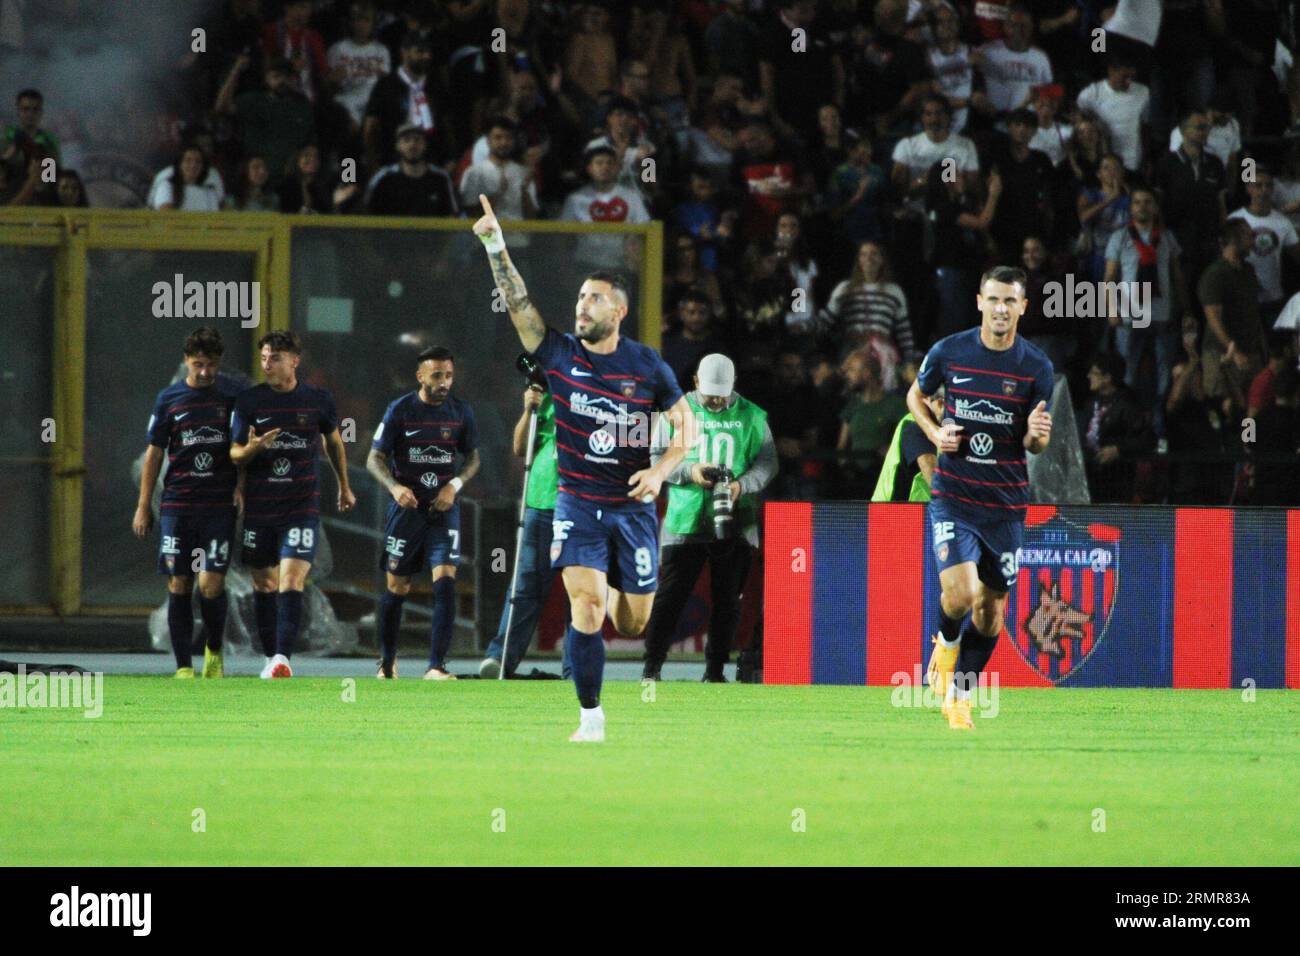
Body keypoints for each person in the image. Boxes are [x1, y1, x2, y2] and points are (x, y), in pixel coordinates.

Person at [472, 194, 696, 743]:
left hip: (635, 508)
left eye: (595, 298)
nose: (583, 305)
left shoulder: (647, 365)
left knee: (634, 622)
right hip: (576, 502)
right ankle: (590, 716)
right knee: (587, 604)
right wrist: (494, 244)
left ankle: (621, 590)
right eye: (579, 297)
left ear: (618, 311)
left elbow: (686, 428)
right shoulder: (556, 354)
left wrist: (661, 471)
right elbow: (518, 300)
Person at [908, 265, 1054, 730]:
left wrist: (1035, 437)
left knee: (991, 613)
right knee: (962, 592)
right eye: (993, 299)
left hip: (1006, 505)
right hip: (955, 494)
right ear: (979, 302)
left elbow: (1037, 444)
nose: (1001, 309)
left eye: (1010, 301)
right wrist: (935, 432)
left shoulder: (1036, 367)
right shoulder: (950, 351)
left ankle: (960, 698)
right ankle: (946, 645)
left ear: (1023, 308)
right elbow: (915, 396)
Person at [641, 354, 777, 682]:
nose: (716, 400)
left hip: (736, 520)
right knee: (670, 598)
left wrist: (741, 486)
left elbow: (768, 462)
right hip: (685, 519)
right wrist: (690, 471)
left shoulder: (753, 416)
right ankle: (651, 669)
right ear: (696, 383)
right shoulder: (675, 413)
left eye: (722, 393)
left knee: (728, 601)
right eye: (710, 393)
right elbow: (656, 458)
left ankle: (715, 673)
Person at [230, 331, 356, 679]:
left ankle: (283, 657)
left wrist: (344, 486)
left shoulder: (317, 400)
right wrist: (254, 449)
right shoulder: (249, 402)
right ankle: (272, 656)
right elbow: (234, 452)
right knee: (264, 584)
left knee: (291, 580)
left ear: (294, 361)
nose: (267, 363)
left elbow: (334, 442)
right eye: (264, 357)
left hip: (301, 506)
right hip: (261, 506)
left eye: (275, 357)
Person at [133, 328, 244, 678]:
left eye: (211, 365)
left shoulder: (232, 396)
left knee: (211, 584)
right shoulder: (169, 398)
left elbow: (244, 447)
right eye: (198, 364)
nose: (205, 372)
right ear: (186, 361)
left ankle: (213, 649)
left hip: (217, 506)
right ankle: (183, 666)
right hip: (177, 505)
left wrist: (241, 487)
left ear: (219, 362)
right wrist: (143, 504)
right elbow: (154, 454)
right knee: (179, 582)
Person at [366, 346, 481, 679]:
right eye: (437, 376)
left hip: (443, 511)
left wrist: (454, 485)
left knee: (445, 580)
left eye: (448, 375)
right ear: (420, 376)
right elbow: (374, 459)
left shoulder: (461, 412)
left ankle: (436, 666)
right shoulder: (400, 410)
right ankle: (387, 663)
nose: (444, 382)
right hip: (406, 512)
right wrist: (395, 488)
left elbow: (474, 458)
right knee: (396, 588)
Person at [479, 382, 570, 679]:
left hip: (580, 507)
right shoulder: (548, 398)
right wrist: (528, 409)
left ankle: (577, 667)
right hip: (540, 503)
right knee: (525, 585)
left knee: (580, 590)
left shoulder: (600, 399)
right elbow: (520, 448)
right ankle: (500, 658)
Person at [1077, 351, 1154, 503]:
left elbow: (1147, 439)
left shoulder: (1127, 405)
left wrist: (1119, 450)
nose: (1089, 376)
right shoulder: (1091, 403)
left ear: (1107, 377)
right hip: (1091, 475)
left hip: (1116, 480)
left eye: (1094, 373)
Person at [837, 348, 908, 494]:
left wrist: (891, 449)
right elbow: (842, 445)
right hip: (855, 482)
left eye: (852, 370)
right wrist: (846, 466)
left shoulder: (896, 405)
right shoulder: (852, 406)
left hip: (886, 480)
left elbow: (908, 437)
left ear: (867, 373)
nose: (847, 375)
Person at [1076, 55, 1150, 174]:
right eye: (1124, 76)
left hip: (1133, 162)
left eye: (1131, 77)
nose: (1128, 81)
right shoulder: (1091, 94)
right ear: (1111, 70)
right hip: (1105, 164)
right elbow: (1080, 126)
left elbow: (1145, 126)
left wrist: (1146, 159)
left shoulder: (1143, 92)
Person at [365, 123, 458, 216]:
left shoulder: (441, 178)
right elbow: (368, 213)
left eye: (417, 140)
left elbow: (453, 214)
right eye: (406, 140)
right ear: (398, 146)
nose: (412, 144)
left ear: (425, 145)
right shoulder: (384, 178)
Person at [871, 385, 944, 502]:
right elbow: (931, 471)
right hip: (892, 514)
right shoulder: (916, 424)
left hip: (920, 513)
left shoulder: (947, 427)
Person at [148, 145, 223, 212]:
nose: (193, 165)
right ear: (179, 164)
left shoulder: (210, 192)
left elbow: (214, 221)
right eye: (188, 160)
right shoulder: (167, 186)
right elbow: (166, 217)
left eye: (198, 161)